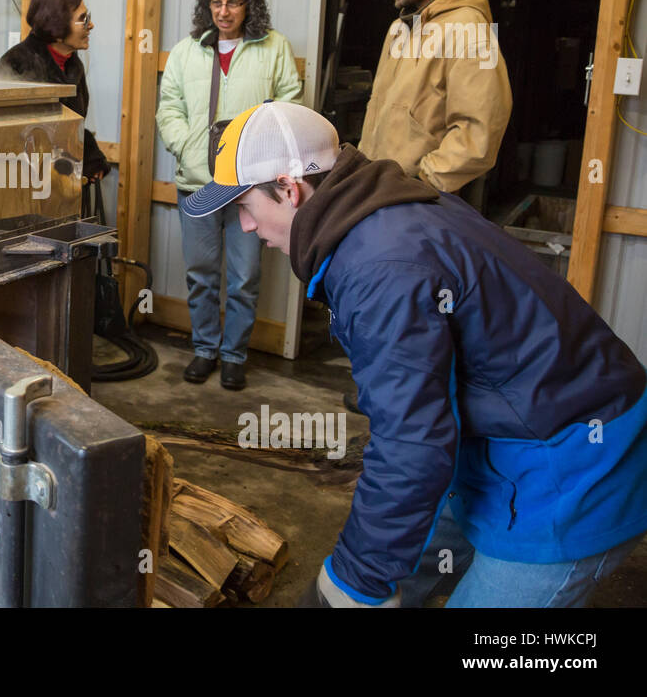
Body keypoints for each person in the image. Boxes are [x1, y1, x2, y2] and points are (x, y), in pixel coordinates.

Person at [182, 100, 647, 607]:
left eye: (246, 207)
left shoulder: (380, 265)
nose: (246, 228)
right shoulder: (381, 208)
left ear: (290, 191)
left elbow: (412, 443)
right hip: (506, 432)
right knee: (406, 559)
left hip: (575, 462)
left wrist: (353, 585)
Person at [156, 0, 301, 390]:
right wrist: (184, 144)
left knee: (244, 276)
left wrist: (262, 155)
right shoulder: (187, 50)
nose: (224, 11)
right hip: (198, 184)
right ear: (208, 6)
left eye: (233, 2)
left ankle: (234, 355)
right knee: (201, 273)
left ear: (248, 5)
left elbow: (289, 105)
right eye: (216, 2)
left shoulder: (274, 48)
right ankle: (204, 349)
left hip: (249, 188)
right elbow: (169, 106)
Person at [359, 0, 512, 193]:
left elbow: (479, 129)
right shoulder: (400, 26)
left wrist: (423, 181)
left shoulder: (473, 29)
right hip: (378, 189)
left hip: (420, 197)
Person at [0, 0, 109, 188]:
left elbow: (73, 123)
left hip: (61, 184)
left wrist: (91, 157)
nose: (90, 25)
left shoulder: (74, 66)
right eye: (83, 19)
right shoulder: (16, 63)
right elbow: (3, 137)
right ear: (57, 28)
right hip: (22, 185)